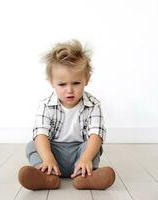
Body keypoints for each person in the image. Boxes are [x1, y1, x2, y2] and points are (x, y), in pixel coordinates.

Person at [18, 39, 115, 190]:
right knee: (32, 146)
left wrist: (86, 158)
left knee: (95, 146)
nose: (69, 90)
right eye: (62, 84)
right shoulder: (46, 105)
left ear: (86, 80)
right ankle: (47, 176)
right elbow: (41, 134)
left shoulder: (93, 105)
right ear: (52, 82)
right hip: (54, 154)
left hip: (80, 155)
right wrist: (48, 159)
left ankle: (84, 177)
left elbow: (96, 134)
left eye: (76, 83)